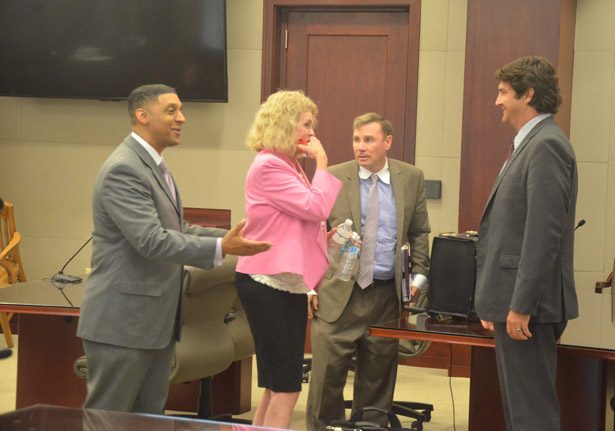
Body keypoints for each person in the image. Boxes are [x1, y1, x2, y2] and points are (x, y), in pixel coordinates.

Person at [76, 84, 271, 414]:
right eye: (171, 110)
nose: (182, 118)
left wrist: (232, 238)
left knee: (148, 417)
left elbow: (178, 231)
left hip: (155, 323)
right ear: (142, 115)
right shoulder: (124, 169)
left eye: (181, 110)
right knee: (108, 418)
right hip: (123, 323)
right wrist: (221, 246)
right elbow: (151, 241)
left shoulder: (154, 166)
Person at [307, 112, 430, 430]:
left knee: (377, 390)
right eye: (356, 140)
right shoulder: (333, 176)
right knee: (325, 388)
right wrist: (308, 286)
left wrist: (418, 279)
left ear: (387, 142)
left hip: (386, 297)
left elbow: (418, 233)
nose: (360, 147)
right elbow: (309, 234)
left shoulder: (411, 177)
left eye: (369, 140)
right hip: (338, 297)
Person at [474, 56, 579, 431]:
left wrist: (520, 303)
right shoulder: (530, 143)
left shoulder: (546, 145)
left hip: (528, 306)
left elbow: (542, 232)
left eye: (503, 93)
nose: (497, 101)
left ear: (528, 94)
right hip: (513, 299)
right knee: (521, 410)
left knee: (532, 413)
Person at [235, 90, 342, 429]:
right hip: (267, 281)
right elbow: (316, 207)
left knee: (276, 386)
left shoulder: (286, 163)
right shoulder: (268, 165)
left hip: (282, 281)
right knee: (286, 388)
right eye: (306, 125)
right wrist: (323, 163)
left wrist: (319, 239)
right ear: (285, 125)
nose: (311, 133)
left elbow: (296, 219)